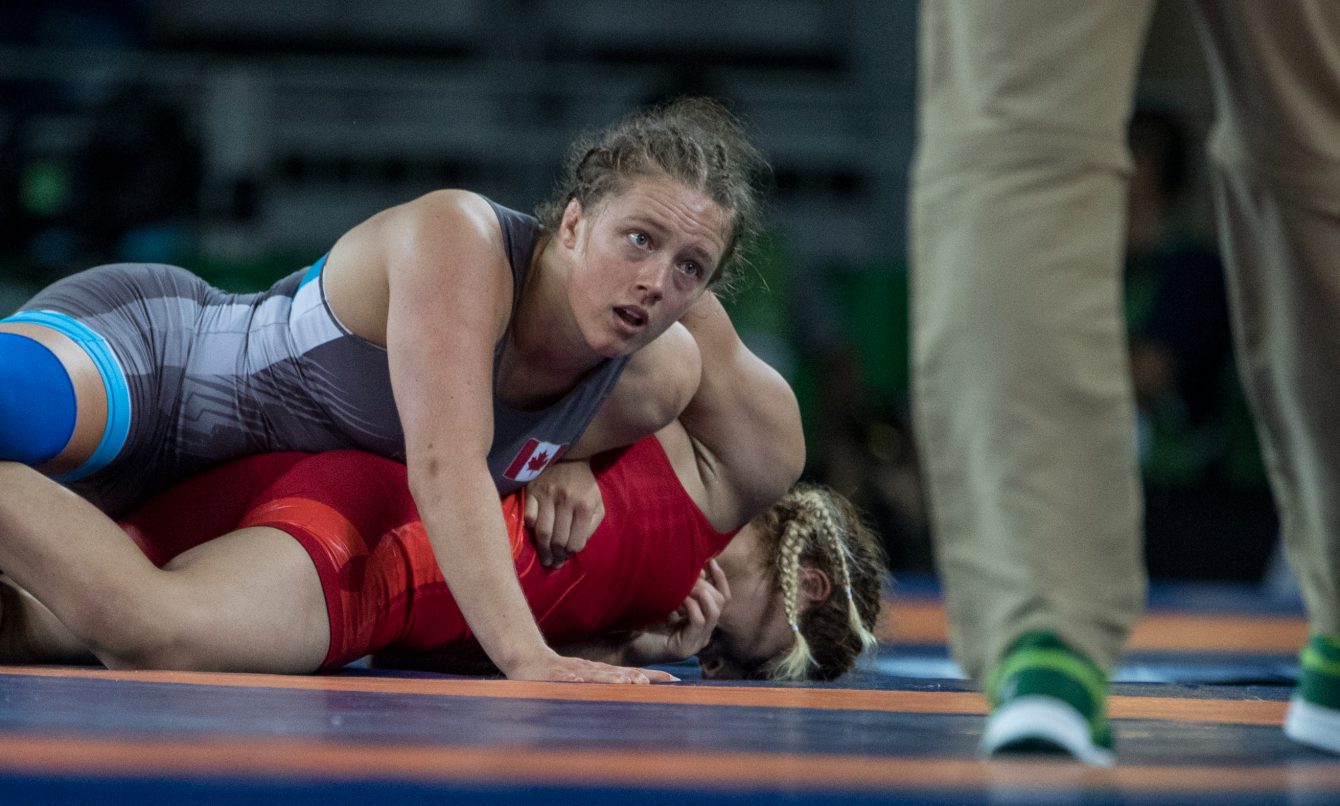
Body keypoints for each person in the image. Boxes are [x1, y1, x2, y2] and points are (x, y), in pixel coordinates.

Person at [0, 97, 768, 684]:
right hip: (162, 366)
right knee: (15, 407)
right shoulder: (461, 240)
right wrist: (528, 659)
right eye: (639, 239)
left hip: (204, 498)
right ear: (571, 226)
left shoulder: (649, 379)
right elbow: (445, 462)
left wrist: (572, 464)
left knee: (88, 629)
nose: (655, 281)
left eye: (689, 269)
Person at [0, 295, 887, 681]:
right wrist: (572, 432)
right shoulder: (751, 453)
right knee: (154, 630)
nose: (719, 663)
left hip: (382, 557)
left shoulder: (643, 623)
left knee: (35, 626)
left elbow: (445, 650)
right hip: (375, 529)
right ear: (811, 586)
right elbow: (647, 285)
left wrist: (623, 651)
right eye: (756, 657)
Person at [910, 1, 1340, 764]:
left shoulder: (1182, 276)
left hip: (1194, 496)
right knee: (1318, 139)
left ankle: (1043, 638)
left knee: (1019, 147)